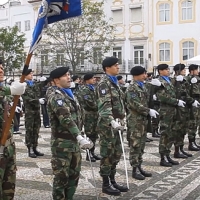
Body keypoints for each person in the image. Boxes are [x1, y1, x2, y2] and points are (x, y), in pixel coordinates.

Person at [46, 67, 93, 200]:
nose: (69, 77)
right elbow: (65, 118)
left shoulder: (69, 94)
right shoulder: (55, 96)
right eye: (65, 75)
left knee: (74, 176)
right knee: (62, 178)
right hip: (62, 144)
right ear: (56, 80)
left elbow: (78, 116)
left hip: (74, 143)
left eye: (69, 74)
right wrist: (78, 135)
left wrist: (82, 134)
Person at [96, 57, 128, 196]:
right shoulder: (104, 84)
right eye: (115, 65)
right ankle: (105, 183)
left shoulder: (115, 83)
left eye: (117, 65)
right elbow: (104, 106)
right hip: (107, 125)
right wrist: (111, 121)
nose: (118, 67)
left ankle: (112, 180)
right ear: (107, 68)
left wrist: (122, 118)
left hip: (117, 123)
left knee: (116, 153)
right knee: (107, 154)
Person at [125, 66, 158, 180]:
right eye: (143, 73)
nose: (145, 75)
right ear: (137, 75)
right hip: (135, 121)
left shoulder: (143, 86)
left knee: (142, 144)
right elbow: (134, 104)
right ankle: (134, 169)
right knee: (135, 145)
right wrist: (148, 111)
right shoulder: (132, 88)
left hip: (143, 120)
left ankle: (139, 166)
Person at [0, 61, 27, 199]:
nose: (0, 70)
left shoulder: (4, 90)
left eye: (2, 67)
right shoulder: (5, 90)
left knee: (8, 187)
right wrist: (10, 90)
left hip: (8, 145)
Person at [152, 64, 186, 167]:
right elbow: (162, 97)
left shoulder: (170, 80)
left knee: (171, 134)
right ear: (160, 71)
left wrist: (181, 80)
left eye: (168, 69)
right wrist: (176, 101)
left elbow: (178, 88)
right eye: (166, 69)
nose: (168, 71)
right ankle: (163, 157)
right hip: (166, 111)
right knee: (165, 134)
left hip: (173, 111)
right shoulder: (158, 82)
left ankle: (168, 155)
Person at [172, 64, 198, 158]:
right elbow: (178, 93)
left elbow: (187, 92)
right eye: (183, 70)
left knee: (183, 130)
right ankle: (177, 150)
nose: (184, 71)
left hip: (185, 108)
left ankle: (181, 149)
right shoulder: (173, 80)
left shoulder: (184, 80)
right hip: (178, 109)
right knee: (178, 130)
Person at [22, 69, 47, 158]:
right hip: (29, 111)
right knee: (29, 130)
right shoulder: (23, 85)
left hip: (36, 110)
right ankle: (30, 148)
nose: (31, 75)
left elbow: (42, 84)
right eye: (29, 74)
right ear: (25, 75)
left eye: (32, 73)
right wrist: (37, 101)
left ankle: (35, 147)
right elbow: (26, 99)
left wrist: (46, 79)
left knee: (36, 129)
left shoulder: (34, 84)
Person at [76, 73, 101, 162]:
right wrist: (101, 105)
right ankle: (88, 153)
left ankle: (92, 152)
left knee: (94, 134)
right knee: (89, 134)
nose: (94, 79)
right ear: (87, 80)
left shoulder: (93, 88)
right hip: (88, 115)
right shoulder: (84, 89)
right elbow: (89, 103)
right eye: (92, 78)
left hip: (95, 114)